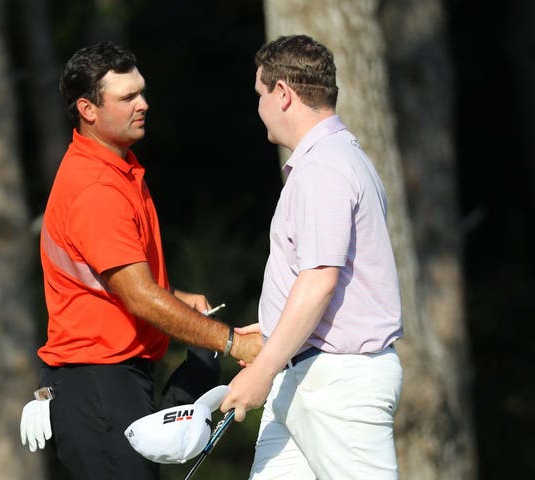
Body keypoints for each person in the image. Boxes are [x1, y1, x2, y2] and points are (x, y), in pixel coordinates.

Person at [30, 41, 262, 480]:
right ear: (88, 109)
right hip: (96, 385)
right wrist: (233, 343)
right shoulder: (97, 188)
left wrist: (172, 295)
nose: (144, 104)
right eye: (127, 97)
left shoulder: (118, 167)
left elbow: (114, 278)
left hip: (110, 380)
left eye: (142, 91)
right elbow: (137, 296)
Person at [220, 35, 404, 479]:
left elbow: (320, 279)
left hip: (337, 385)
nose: (259, 107)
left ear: (282, 94)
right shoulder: (336, 160)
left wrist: (260, 371)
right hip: (304, 378)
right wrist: (275, 328)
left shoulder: (325, 167)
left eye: (260, 94)